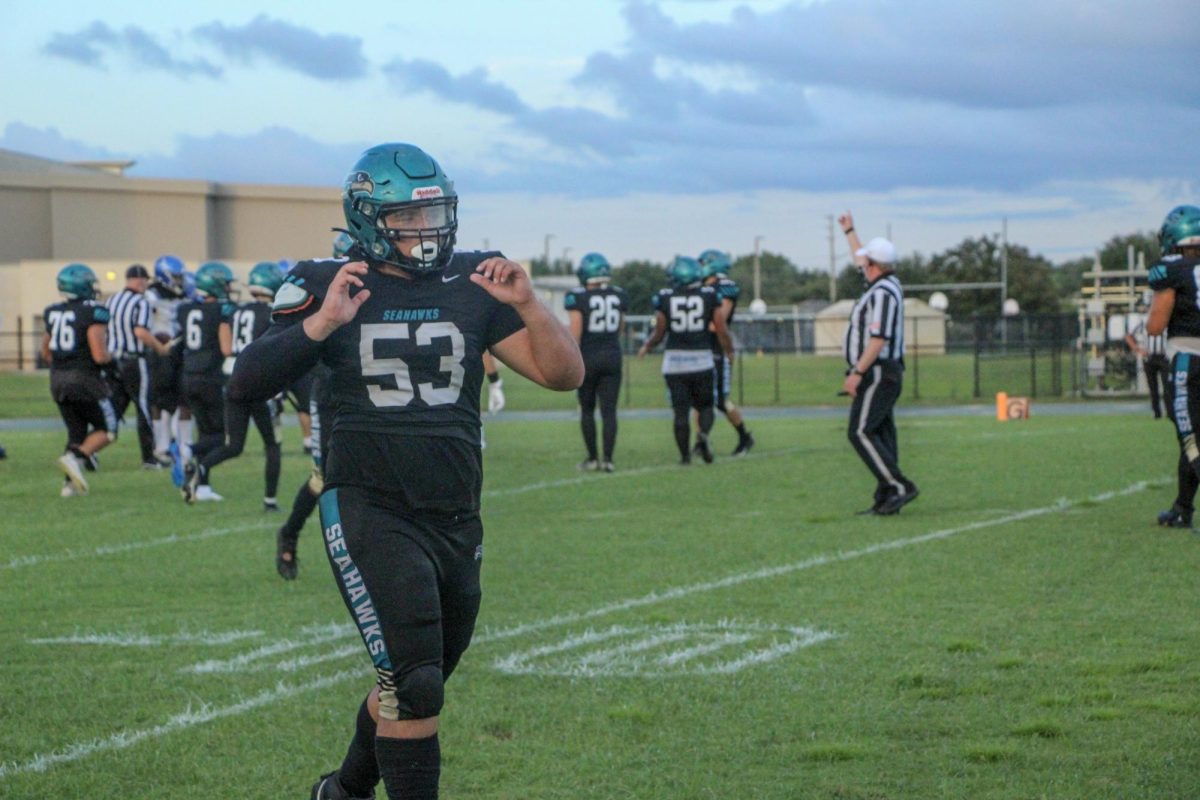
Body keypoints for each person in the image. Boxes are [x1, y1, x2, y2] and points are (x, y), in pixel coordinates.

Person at [229, 142, 583, 799]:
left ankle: (342, 791)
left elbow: (565, 375)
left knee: (420, 678)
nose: (425, 233)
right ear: (366, 218)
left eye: (434, 216)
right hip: (369, 505)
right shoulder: (324, 280)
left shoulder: (476, 279)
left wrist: (532, 308)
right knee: (415, 682)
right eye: (407, 219)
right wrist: (324, 322)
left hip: (453, 512)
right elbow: (245, 381)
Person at [186, 262, 284, 509]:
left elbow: (228, 347)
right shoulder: (273, 313)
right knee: (272, 444)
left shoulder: (238, 311)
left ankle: (202, 467)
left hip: (235, 380)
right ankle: (270, 500)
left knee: (233, 445)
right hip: (262, 384)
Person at [839, 212, 918, 515]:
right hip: (881, 371)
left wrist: (857, 372)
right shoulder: (883, 284)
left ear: (875, 266)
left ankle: (899, 487)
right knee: (882, 433)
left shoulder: (883, 292)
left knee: (859, 431)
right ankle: (887, 497)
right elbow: (860, 258)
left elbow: (878, 339)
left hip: (878, 370)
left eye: (866, 262)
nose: (862, 265)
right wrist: (850, 231)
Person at [637, 255, 730, 465]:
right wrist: (729, 350)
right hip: (702, 360)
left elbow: (659, 332)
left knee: (680, 412)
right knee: (706, 406)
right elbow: (721, 328)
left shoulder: (664, 297)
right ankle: (703, 434)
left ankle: (685, 457)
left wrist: (647, 346)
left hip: (675, 362)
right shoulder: (709, 295)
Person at [1146, 204, 1200, 529]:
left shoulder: (1172, 269)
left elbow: (1155, 326)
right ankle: (1182, 508)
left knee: (1190, 439)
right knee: (1195, 436)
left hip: (1188, 359)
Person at [41, 263, 116, 496]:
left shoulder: (53, 311)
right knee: (108, 430)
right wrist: (113, 361)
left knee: (76, 433)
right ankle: (76, 457)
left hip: (57, 379)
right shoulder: (93, 311)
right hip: (84, 378)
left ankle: (69, 486)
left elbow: (46, 351)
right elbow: (99, 354)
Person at [178, 261, 235, 503]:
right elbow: (226, 348)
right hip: (210, 378)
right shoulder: (220, 311)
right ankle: (187, 450)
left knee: (205, 432)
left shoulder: (185, 308)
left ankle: (201, 486)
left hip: (188, 376)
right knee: (223, 437)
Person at [106, 264, 172, 468]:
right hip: (134, 361)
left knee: (114, 409)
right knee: (144, 407)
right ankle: (149, 458)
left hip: (113, 360)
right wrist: (159, 348)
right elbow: (140, 333)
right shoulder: (140, 302)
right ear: (140, 280)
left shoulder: (111, 300)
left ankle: (90, 451)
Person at [565, 252, 627, 471]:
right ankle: (608, 460)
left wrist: (570, 359)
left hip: (588, 358)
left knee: (587, 409)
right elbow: (621, 326)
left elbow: (576, 331)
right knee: (609, 411)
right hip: (612, 355)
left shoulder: (578, 296)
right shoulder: (618, 294)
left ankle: (592, 458)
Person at [697, 249, 755, 456]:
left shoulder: (725, 288)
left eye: (702, 263)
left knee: (721, 401)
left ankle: (745, 436)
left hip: (717, 350)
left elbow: (717, 323)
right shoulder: (703, 289)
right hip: (701, 348)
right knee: (699, 399)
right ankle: (700, 441)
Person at [146, 254, 191, 481]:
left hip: (177, 350)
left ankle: (177, 443)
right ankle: (161, 446)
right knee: (159, 400)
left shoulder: (182, 292)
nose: (179, 281)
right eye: (175, 277)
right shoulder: (151, 294)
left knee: (178, 398)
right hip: (160, 350)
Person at [1125, 305, 1170, 419]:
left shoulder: (1167, 320)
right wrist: (1138, 349)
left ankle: (1170, 411)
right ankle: (1156, 412)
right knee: (1152, 387)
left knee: (1168, 386)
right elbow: (1128, 336)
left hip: (1165, 356)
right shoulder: (1144, 321)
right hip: (1149, 357)